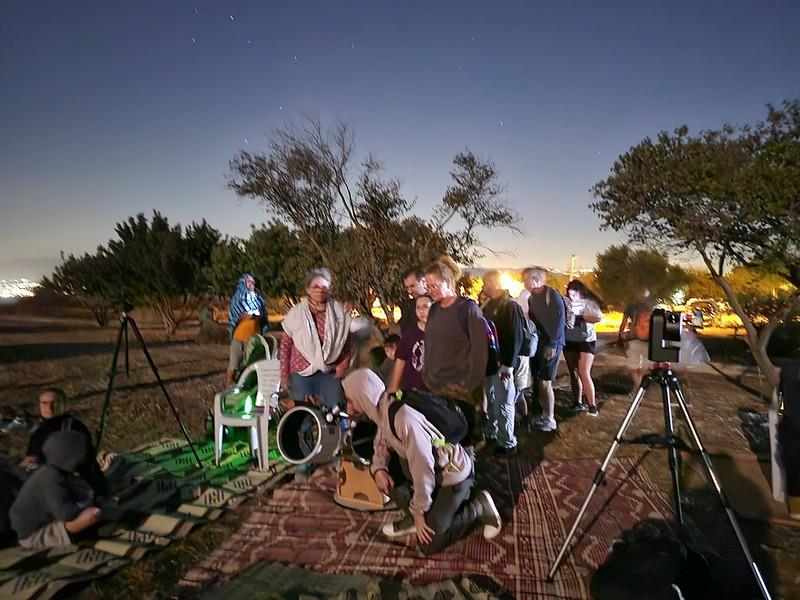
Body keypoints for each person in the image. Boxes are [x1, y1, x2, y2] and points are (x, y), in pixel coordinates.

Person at [342, 369, 502, 554]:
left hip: (452, 476)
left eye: (351, 400)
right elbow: (382, 440)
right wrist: (378, 469)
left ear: (362, 396)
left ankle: (478, 507)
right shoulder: (383, 407)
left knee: (429, 544)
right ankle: (418, 511)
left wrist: (419, 514)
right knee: (381, 472)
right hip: (432, 473)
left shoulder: (403, 418)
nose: (349, 408)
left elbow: (423, 472)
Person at [422, 256, 488, 443]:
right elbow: (430, 344)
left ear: (449, 282)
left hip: (459, 394)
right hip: (434, 389)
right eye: (427, 286)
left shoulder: (468, 310)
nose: (429, 290)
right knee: (440, 444)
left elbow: (480, 353)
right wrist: (426, 375)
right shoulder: (434, 309)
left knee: (462, 445)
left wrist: (468, 386)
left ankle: (467, 471)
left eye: (433, 285)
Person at [11, 430, 102, 549]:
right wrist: (86, 504)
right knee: (93, 515)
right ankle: (75, 537)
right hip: (33, 535)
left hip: (46, 519)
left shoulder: (54, 469)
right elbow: (67, 514)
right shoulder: (51, 479)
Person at [280, 268, 352, 410]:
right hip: (301, 371)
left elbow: (347, 341)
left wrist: (345, 362)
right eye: (315, 287)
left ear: (329, 289)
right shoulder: (296, 314)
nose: (320, 290)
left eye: (324, 287)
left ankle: (341, 433)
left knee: (335, 410)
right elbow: (285, 345)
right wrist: (284, 374)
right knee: (303, 413)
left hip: (330, 371)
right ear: (308, 290)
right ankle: (302, 433)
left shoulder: (338, 312)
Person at [21, 388, 107, 496]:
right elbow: (32, 457)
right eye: (44, 403)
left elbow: (74, 460)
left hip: (77, 486)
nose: (49, 407)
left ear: (63, 405)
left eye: (54, 403)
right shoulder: (38, 431)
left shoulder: (72, 427)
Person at [480, 271, 525, 456]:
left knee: (504, 402)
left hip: (502, 366)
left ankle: (508, 442)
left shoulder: (510, 306)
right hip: (489, 363)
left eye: (486, 283)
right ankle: (493, 431)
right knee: (491, 401)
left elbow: (516, 338)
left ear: (495, 283)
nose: (483, 287)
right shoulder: (489, 305)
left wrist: (508, 365)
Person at [525, 267, 565, 432]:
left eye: (526, 279)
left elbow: (559, 321)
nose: (524, 282)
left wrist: (553, 345)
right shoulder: (532, 298)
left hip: (551, 345)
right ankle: (544, 414)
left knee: (546, 383)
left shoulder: (552, 295)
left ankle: (550, 419)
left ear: (536, 279)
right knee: (540, 381)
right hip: (539, 345)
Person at [563, 280, 605, 416]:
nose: (573, 296)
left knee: (584, 372)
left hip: (586, 341)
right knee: (573, 373)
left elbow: (598, 317)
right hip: (569, 340)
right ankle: (577, 402)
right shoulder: (567, 303)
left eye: (575, 294)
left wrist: (582, 316)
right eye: (570, 294)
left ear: (581, 292)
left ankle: (592, 405)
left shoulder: (589, 303)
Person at [226, 273, 268, 387]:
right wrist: (244, 317)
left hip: (254, 340)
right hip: (239, 338)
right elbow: (235, 318)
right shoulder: (237, 299)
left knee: (252, 368)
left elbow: (264, 316)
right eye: (249, 282)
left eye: (252, 281)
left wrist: (258, 316)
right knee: (233, 367)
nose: (252, 284)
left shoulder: (258, 299)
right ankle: (227, 391)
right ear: (243, 283)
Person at [387, 295, 433, 394]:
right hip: (411, 392)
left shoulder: (441, 333)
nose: (421, 311)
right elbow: (400, 361)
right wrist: (393, 388)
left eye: (425, 307)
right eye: (418, 307)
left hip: (435, 393)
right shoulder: (409, 335)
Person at [618, 289, 655, 391]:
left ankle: (637, 386)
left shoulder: (631, 307)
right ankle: (641, 387)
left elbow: (624, 323)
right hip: (648, 341)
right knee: (644, 367)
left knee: (633, 366)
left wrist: (621, 336)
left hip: (633, 339)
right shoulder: (651, 308)